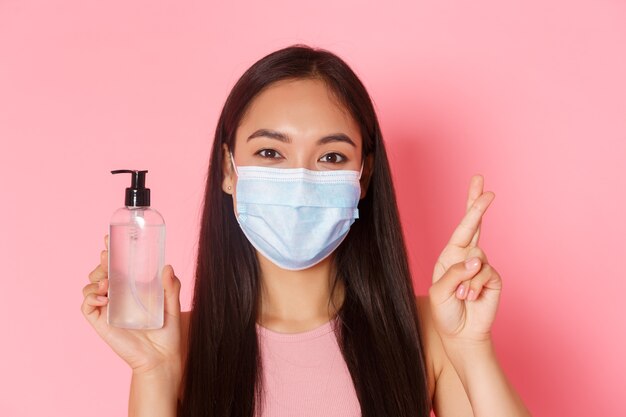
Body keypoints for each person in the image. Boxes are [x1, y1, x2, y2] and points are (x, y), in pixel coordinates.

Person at [81, 44, 531, 417]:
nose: (299, 182)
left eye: (331, 157)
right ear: (229, 170)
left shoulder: (430, 329)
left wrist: (473, 349)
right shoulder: (174, 344)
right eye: (271, 153)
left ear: (363, 175)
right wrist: (154, 370)